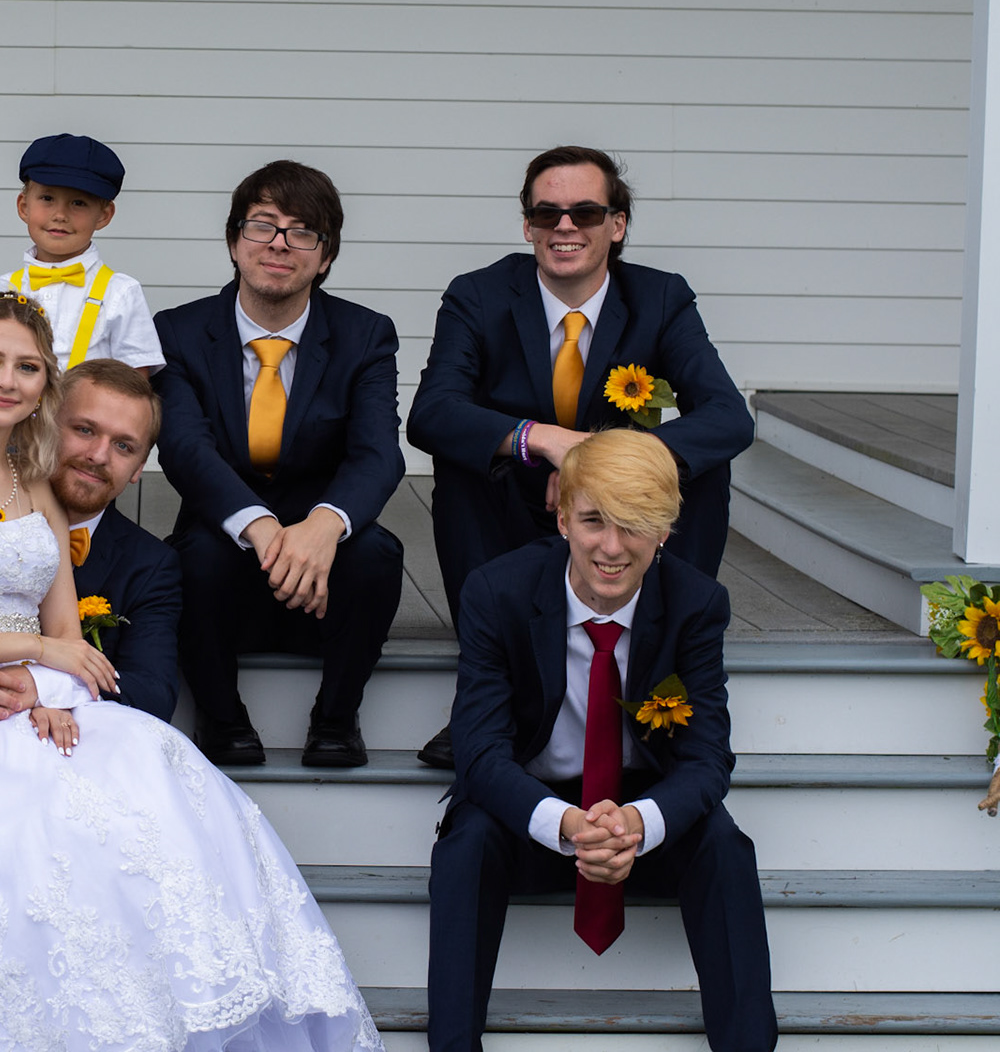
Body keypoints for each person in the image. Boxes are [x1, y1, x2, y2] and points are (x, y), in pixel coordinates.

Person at [0, 293, 381, 1052]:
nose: (6, 380)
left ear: (42, 385)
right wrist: (9, 664)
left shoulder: (36, 487)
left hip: (39, 707)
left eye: (26, 367)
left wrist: (51, 688)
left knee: (136, 821)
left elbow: (63, 632)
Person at [406, 145, 753, 770]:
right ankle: (486, 698)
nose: (564, 226)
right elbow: (431, 413)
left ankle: (663, 670)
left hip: (616, 515)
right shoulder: (479, 295)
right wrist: (543, 440)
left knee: (701, 469)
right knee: (462, 466)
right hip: (520, 506)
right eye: (547, 213)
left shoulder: (661, 298)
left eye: (585, 213)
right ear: (527, 226)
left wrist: (603, 464)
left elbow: (728, 416)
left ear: (617, 225)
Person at [428, 429, 775, 1052]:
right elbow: (479, 752)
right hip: (533, 814)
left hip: (638, 820)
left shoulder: (696, 605)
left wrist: (636, 825)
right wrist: (567, 825)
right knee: (467, 842)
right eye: (593, 521)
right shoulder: (497, 593)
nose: (611, 548)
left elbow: (706, 758)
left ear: (665, 530)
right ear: (562, 518)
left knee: (725, 845)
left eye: (634, 525)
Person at [152, 160, 405, 768]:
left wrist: (324, 526)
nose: (279, 244)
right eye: (262, 225)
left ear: (326, 255)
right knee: (193, 555)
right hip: (227, 543)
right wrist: (261, 528)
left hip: (325, 564)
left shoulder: (365, 335)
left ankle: (336, 719)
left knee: (377, 553)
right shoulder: (178, 331)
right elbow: (185, 447)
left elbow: (377, 452)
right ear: (234, 241)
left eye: (303, 232)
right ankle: (222, 719)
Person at [0, 357, 182, 724]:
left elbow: (153, 691)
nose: (98, 455)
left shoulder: (150, 565)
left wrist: (41, 686)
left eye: (124, 446)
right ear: (46, 423)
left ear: (139, 467)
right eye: (84, 430)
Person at [0, 132, 164, 372]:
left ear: (104, 215)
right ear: (24, 207)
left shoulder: (121, 292)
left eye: (78, 203)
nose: (60, 215)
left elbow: (136, 381)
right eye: (47, 198)